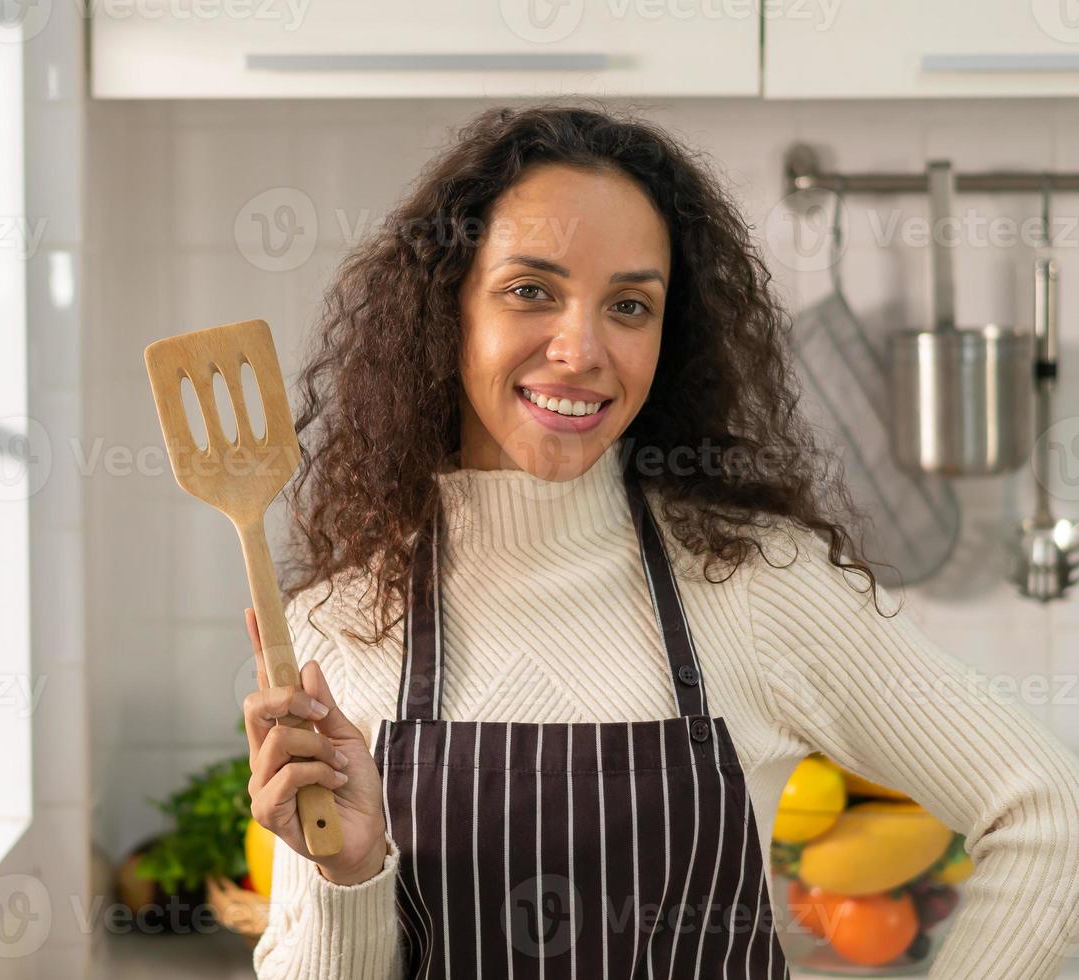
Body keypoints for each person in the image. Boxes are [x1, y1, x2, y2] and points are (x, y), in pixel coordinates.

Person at [241, 101, 1079, 979]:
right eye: (531, 290)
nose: (582, 348)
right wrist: (348, 872)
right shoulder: (337, 625)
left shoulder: (755, 585)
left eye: (629, 305)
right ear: (445, 310)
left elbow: (1045, 813)